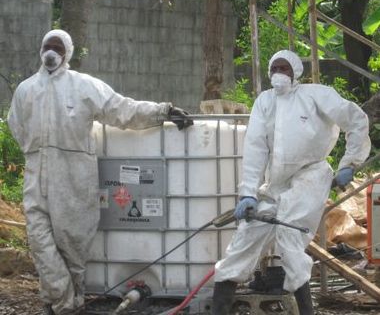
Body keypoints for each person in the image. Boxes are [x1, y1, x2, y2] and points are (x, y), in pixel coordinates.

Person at [7, 29, 193, 315]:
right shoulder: (26, 89)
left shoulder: (84, 87)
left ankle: (63, 301)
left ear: (67, 53)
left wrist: (162, 111)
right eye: (47, 46)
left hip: (75, 180)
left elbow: (122, 110)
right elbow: (15, 124)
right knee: (41, 244)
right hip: (36, 176)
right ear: (40, 49)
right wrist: (37, 152)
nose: (51, 52)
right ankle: (66, 305)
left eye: (57, 47)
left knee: (73, 250)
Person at [212, 50, 371, 315]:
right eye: (275, 68)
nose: (279, 74)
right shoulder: (264, 102)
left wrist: (350, 163)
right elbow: (255, 149)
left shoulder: (317, 95)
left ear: (296, 72)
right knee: (245, 238)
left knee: (289, 236)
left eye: (285, 69)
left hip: (311, 175)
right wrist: (248, 193)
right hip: (275, 184)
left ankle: (306, 309)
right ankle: (219, 306)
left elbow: (355, 119)